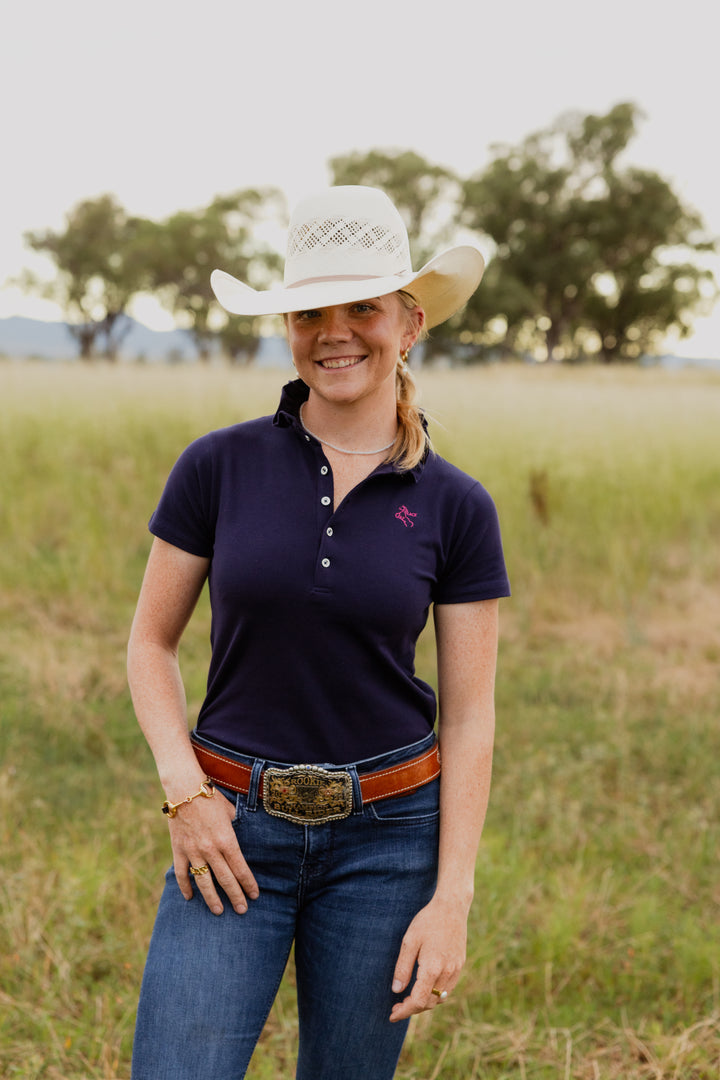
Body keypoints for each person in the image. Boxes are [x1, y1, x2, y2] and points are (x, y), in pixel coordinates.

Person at [127, 185, 510, 1080]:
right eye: (310, 314)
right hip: (230, 828)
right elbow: (149, 644)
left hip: (389, 840)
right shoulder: (216, 466)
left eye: (363, 309)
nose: (336, 333)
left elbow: (471, 717)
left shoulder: (457, 506)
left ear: (410, 324)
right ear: (288, 329)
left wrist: (451, 898)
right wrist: (185, 794)